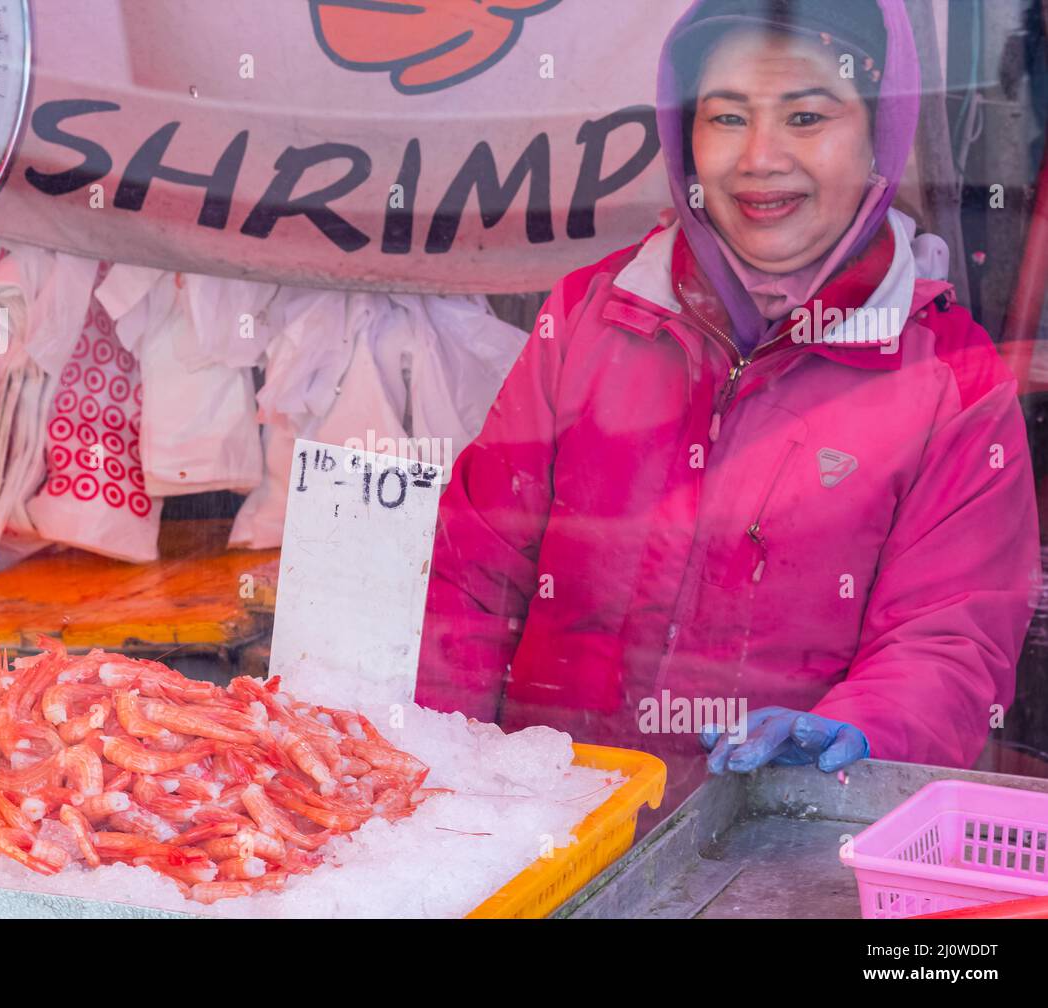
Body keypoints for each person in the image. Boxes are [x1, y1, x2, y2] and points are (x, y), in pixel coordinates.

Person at [414, 0, 1040, 814]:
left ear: (879, 133)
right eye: (728, 116)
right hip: (546, 837)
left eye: (807, 116)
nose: (760, 157)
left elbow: (947, 641)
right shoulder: (591, 315)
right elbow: (471, 573)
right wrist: (435, 787)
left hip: (775, 848)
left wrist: (861, 730)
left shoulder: (951, 380)